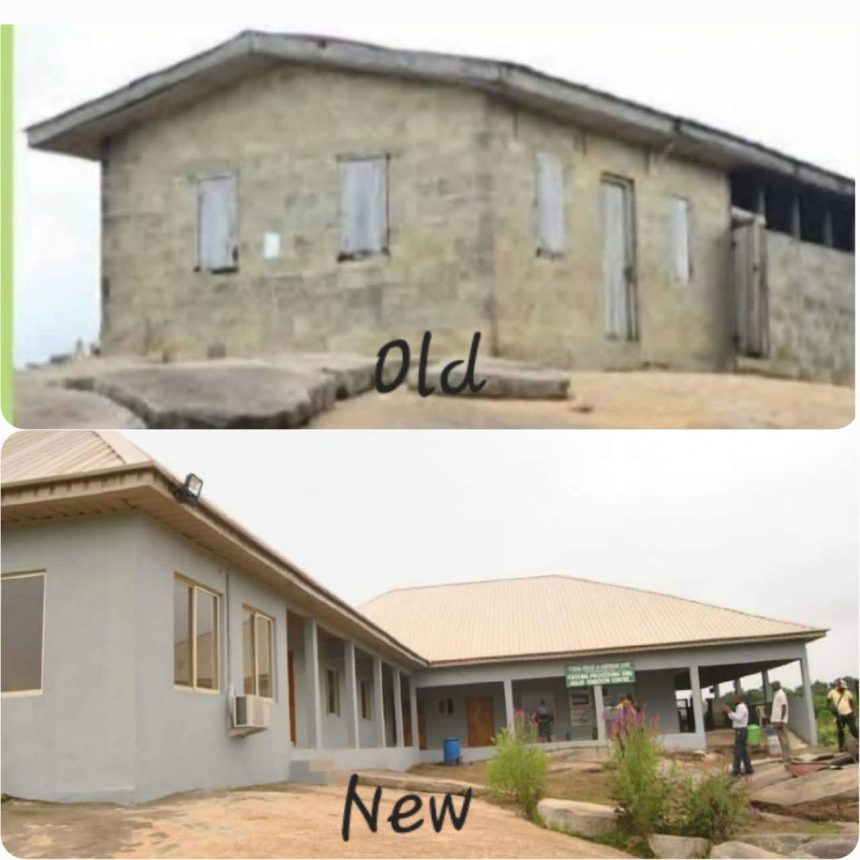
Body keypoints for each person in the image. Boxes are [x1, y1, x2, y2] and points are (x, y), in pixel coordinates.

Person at [722, 691, 754, 777]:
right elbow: (735, 718)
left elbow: (738, 718)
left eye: (734, 698)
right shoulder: (741, 707)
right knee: (743, 751)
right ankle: (749, 768)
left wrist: (729, 711)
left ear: (739, 698)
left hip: (740, 730)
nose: (733, 700)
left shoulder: (741, 707)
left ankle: (736, 770)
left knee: (738, 751)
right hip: (741, 730)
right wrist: (729, 713)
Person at [826, 679, 858, 752]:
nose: (843, 689)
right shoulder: (832, 693)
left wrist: (853, 712)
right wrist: (832, 709)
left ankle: (858, 740)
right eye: (842, 687)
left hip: (849, 713)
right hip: (839, 715)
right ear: (838, 686)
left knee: (853, 728)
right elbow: (828, 702)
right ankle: (841, 747)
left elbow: (851, 703)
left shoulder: (848, 693)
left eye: (844, 688)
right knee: (840, 731)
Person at [769, 680, 791, 763]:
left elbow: (784, 706)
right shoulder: (777, 694)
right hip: (776, 720)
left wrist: (781, 720)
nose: (771, 688)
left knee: (784, 739)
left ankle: (787, 757)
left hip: (780, 720)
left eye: (772, 686)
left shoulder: (781, 694)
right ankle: (785, 757)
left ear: (776, 686)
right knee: (781, 740)